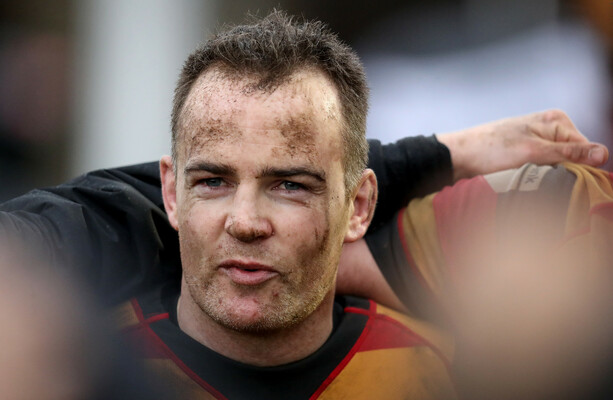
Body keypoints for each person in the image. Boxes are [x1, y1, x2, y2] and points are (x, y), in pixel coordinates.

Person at [0, 10, 609, 400]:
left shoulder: (446, 375)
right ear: (170, 193)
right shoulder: (64, 370)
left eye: (290, 185)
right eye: (212, 181)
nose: (246, 222)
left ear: (359, 206)